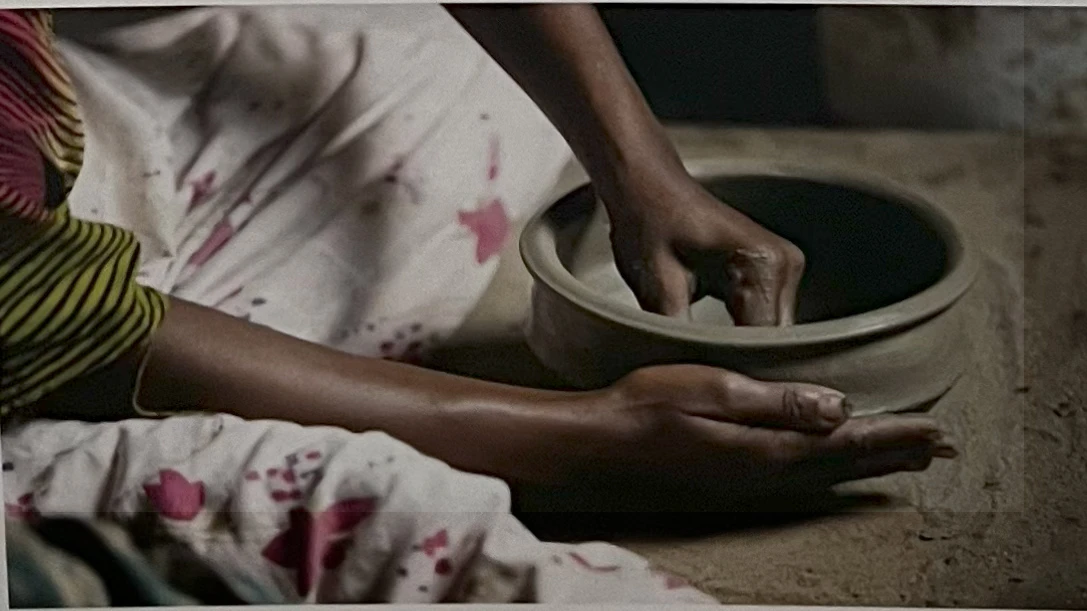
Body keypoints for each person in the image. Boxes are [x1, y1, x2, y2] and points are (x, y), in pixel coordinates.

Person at [1, 5, 956, 604]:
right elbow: (58, 317)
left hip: (55, 152)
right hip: (27, 310)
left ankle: (223, 341)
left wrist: (638, 165)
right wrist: (583, 437)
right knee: (364, 510)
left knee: (450, 75)